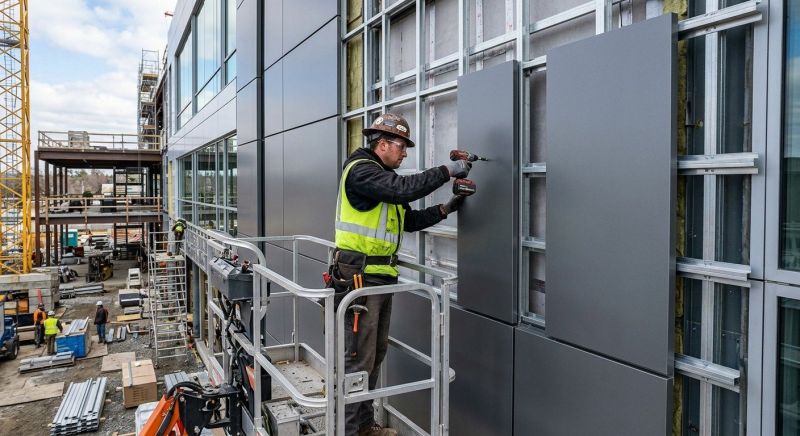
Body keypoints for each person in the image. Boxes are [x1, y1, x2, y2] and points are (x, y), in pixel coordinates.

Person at [333, 113, 470, 436]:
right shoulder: (362, 171)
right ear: (383, 144)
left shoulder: (381, 178)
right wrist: (448, 171)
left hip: (377, 278)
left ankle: (364, 427)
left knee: (374, 356)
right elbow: (404, 189)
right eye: (401, 146)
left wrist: (448, 207)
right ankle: (352, 432)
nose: (405, 153)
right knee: (357, 361)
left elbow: (408, 220)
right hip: (359, 278)